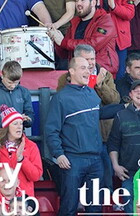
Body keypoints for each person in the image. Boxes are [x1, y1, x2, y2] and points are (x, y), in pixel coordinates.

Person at [44, 56, 105, 216]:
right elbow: (51, 130)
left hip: (95, 159)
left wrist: (126, 106)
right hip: (73, 160)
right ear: (71, 71)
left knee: (95, 209)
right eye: (83, 68)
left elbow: (101, 114)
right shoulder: (61, 98)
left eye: (89, 68)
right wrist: (59, 154)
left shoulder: (92, 94)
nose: (88, 71)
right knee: (69, 207)